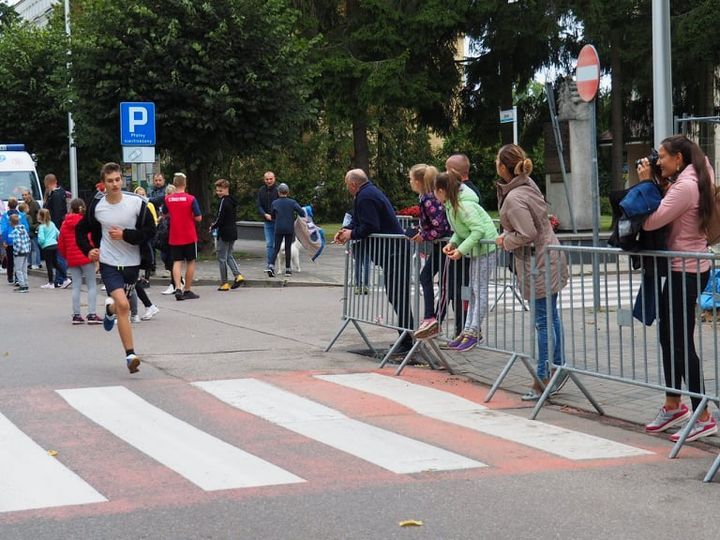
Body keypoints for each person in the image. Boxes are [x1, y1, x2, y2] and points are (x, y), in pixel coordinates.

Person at [639, 134, 717, 442]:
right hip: (685, 269)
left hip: (684, 271)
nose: (658, 161)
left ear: (679, 158)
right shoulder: (699, 172)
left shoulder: (686, 186)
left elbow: (651, 221)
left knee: (681, 343)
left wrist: (646, 184)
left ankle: (703, 416)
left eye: (662, 156)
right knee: (669, 337)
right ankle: (674, 405)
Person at [495, 144, 568, 400]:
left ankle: (543, 377)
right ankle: (557, 368)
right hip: (547, 257)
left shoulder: (514, 197)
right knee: (551, 316)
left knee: (543, 321)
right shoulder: (528, 185)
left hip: (538, 263)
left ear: (503, 167)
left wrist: (505, 240)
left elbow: (527, 233)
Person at [75, 162, 156, 374]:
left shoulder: (136, 203)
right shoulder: (98, 207)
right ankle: (130, 356)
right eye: (110, 181)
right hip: (109, 263)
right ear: (103, 184)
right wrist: (89, 250)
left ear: (122, 180)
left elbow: (150, 231)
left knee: (119, 306)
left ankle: (109, 311)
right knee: (124, 305)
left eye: (118, 180)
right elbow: (80, 230)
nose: (115, 184)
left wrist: (125, 235)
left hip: (132, 264)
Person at [334, 169, 414, 354]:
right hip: (392, 251)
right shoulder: (366, 193)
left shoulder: (366, 196)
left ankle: (407, 339)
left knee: (398, 295)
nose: (347, 188)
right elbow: (358, 220)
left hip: (394, 251)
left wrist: (352, 234)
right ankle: (406, 337)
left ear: (353, 184)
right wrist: (346, 231)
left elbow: (370, 225)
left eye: (347, 184)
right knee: (395, 295)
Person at [433, 172, 497, 351]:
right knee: (474, 291)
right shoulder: (453, 204)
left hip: (485, 250)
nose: (434, 195)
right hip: (477, 250)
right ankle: (467, 330)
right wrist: (453, 243)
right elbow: (461, 230)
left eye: (435, 191)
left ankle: (473, 332)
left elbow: (478, 230)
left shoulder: (464, 205)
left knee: (479, 291)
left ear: (441, 191)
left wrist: (461, 250)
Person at [407, 164, 452, 340]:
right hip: (442, 244)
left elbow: (440, 227)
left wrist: (423, 236)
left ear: (418, 181)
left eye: (411, 179)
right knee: (427, 277)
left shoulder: (428, 198)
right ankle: (430, 317)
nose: (410, 182)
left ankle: (433, 319)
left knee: (442, 282)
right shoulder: (427, 197)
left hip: (446, 244)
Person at [58, 198, 101, 324]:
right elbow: (91, 239)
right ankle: (92, 314)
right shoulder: (86, 222)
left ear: (71, 208)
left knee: (76, 286)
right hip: (86, 256)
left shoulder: (65, 224)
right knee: (91, 285)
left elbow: (61, 243)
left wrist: (67, 256)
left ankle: (76, 315)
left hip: (72, 257)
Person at [163, 172, 202, 300]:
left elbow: (164, 214)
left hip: (175, 235)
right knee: (191, 261)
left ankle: (178, 288)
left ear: (174, 184)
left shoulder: (168, 199)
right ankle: (187, 290)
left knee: (177, 262)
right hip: (189, 235)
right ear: (185, 184)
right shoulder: (191, 199)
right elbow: (198, 217)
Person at [210, 178, 245, 290]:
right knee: (229, 255)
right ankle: (238, 275)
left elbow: (220, 217)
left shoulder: (223, 201)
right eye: (217, 190)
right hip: (233, 231)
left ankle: (224, 283)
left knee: (221, 258)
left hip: (224, 232)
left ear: (226, 189)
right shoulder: (232, 200)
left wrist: (213, 226)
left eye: (220, 190)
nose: (218, 193)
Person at [268, 183, 305, 277]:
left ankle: (271, 266)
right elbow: (302, 212)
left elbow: (272, 216)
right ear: (287, 192)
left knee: (276, 248)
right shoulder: (292, 202)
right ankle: (288, 270)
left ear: (278, 192)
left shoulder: (274, 203)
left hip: (278, 228)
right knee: (288, 248)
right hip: (289, 228)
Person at [43, 174, 70, 287]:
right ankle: (60, 279)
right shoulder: (59, 193)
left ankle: (61, 279)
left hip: (57, 228)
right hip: (58, 227)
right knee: (58, 256)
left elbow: (57, 214)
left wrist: (53, 229)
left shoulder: (56, 195)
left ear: (48, 183)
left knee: (59, 256)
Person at [1, 198, 31, 285]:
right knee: (19, 261)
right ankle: (18, 279)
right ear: (17, 205)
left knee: (10, 260)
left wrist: (4, 241)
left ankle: (10, 277)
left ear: (8, 206)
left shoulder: (5, 216)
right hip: (20, 241)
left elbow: (3, 229)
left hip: (9, 241)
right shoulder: (21, 215)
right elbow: (26, 227)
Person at [257, 171, 279, 273]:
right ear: (264, 179)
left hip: (278, 221)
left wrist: (274, 215)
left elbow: (282, 204)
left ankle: (286, 265)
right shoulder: (261, 190)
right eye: (267, 179)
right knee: (269, 244)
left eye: (271, 179)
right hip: (267, 221)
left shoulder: (279, 189)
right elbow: (259, 206)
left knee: (278, 244)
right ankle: (270, 264)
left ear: (274, 179)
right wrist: (265, 214)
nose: (269, 181)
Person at [37, 208, 62, 289]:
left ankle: (51, 282)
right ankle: (65, 277)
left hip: (47, 246)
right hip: (54, 244)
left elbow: (41, 239)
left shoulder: (41, 227)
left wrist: (41, 244)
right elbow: (58, 233)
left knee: (49, 265)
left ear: (40, 217)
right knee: (55, 263)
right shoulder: (52, 224)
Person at [8, 213, 30, 292]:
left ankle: (22, 286)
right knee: (24, 269)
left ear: (11, 222)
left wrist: (16, 252)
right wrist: (28, 249)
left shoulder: (15, 231)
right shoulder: (23, 229)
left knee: (18, 270)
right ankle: (26, 284)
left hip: (19, 253)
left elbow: (17, 243)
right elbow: (28, 240)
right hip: (26, 251)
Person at [21, 190, 41, 268]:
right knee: (29, 247)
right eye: (23, 195)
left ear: (29, 195)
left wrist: (37, 225)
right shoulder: (24, 204)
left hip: (34, 227)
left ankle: (37, 263)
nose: (24, 196)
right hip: (27, 229)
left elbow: (39, 215)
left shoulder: (35, 203)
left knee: (35, 246)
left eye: (25, 195)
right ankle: (30, 263)